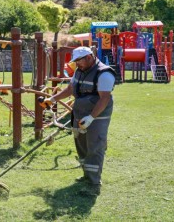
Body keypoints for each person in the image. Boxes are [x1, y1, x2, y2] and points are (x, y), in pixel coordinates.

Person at [39, 46, 116, 196]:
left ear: (89, 57)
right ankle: (87, 175)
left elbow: (104, 98)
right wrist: (52, 99)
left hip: (97, 115)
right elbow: (70, 89)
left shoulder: (104, 73)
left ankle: (94, 184)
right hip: (80, 112)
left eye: (78, 61)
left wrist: (92, 117)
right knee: (81, 145)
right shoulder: (79, 71)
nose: (76, 64)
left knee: (95, 146)